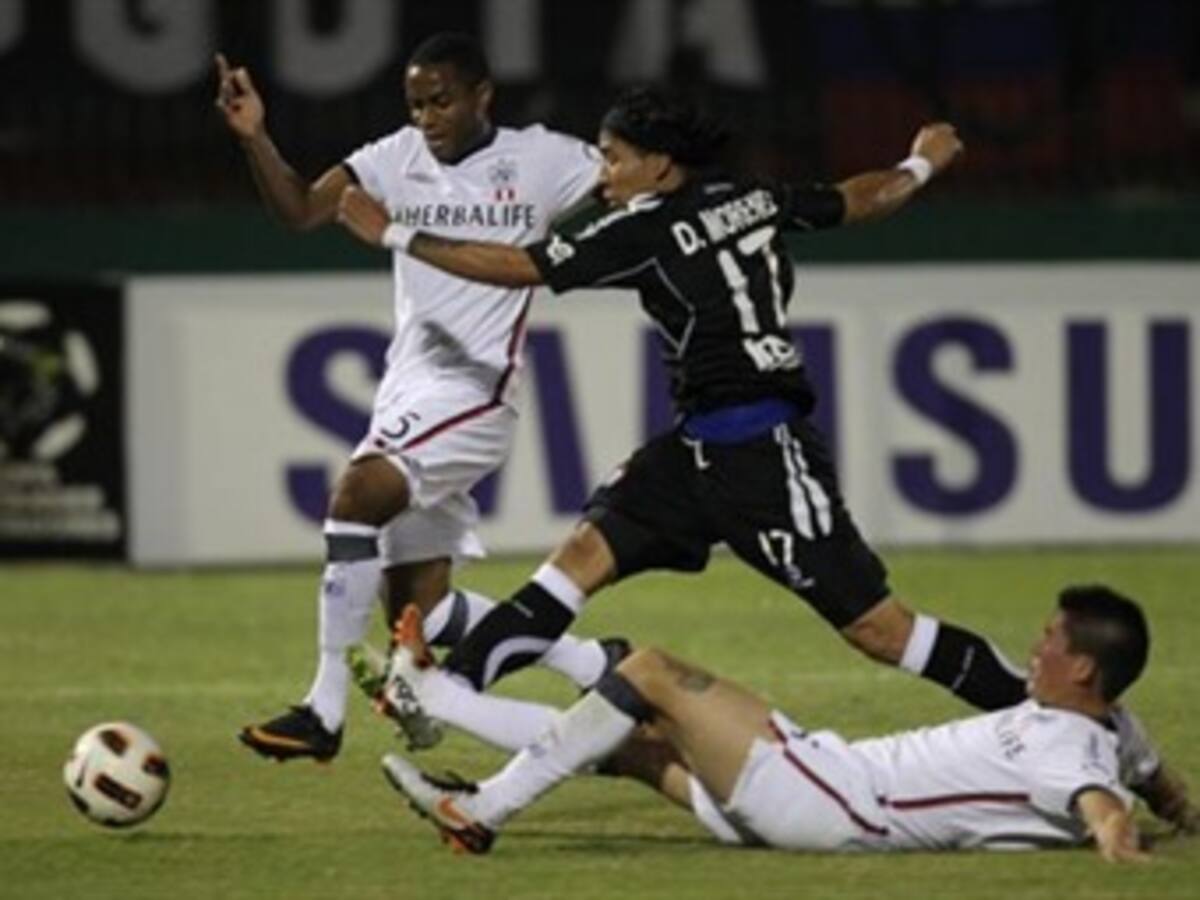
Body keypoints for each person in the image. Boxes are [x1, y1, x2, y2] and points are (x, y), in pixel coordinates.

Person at [335, 85, 1035, 731]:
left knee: (881, 631)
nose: (601, 175)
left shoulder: (639, 231)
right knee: (581, 555)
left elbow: (519, 266)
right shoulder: (752, 196)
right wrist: (920, 163)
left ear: (661, 168)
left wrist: (393, 234)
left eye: (613, 160)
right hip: (692, 451)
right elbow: (857, 199)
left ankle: (1048, 715)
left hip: (764, 453)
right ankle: (433, 691)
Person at [215, 32, 625, 762]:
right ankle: (597, 664)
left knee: (355, 495)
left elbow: (630, 182)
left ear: (481, 96)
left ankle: (324, 709)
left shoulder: (542, 159)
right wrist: (256, 138)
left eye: (440, 101)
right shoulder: (391, 160)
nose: (427, 116)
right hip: (410, 387)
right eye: (415, 103)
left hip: (475, 390)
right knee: (423, 615)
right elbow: (302, 212)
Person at [380, 585, 1197, 859]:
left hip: (841, 805)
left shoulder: (1070, 743)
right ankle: (447, 715)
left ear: (1083, 667)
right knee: (630, 742)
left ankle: (481, 809)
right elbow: (1160, 788)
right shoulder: (1114, 725)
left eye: (1052, 638)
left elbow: (1104, 809)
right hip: (830, 783)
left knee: (649, 670)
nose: (1036, 644)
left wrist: (1122, 849)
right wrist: (1181, 817)